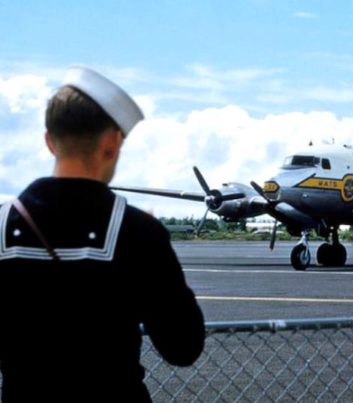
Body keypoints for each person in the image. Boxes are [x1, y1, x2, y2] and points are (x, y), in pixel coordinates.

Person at [0, 66, 205, 402]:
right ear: (112, 143)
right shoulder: (139, 231)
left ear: (49, 141)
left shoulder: (2, 225)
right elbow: (183, 347)